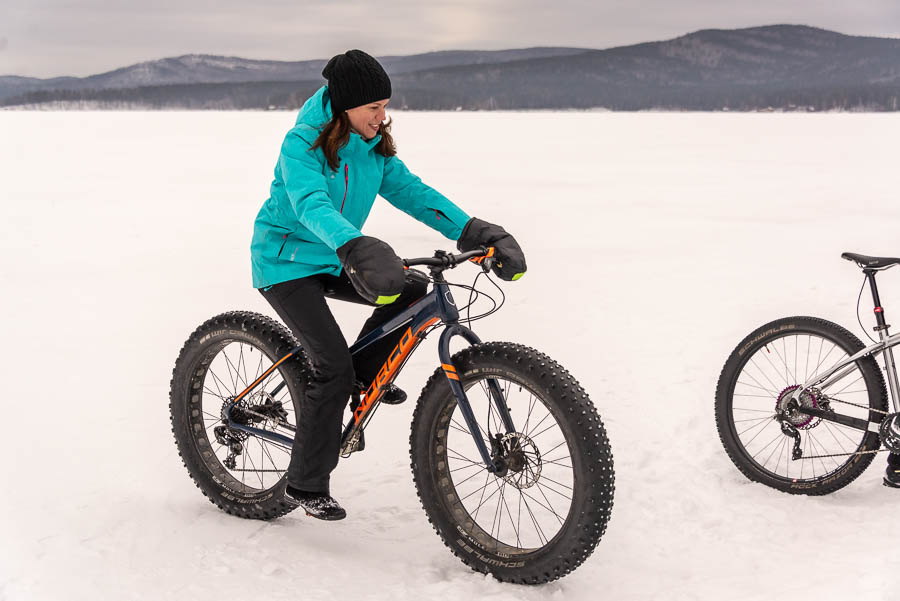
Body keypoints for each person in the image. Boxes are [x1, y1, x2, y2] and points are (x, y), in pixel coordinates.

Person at [250, 50, 526, 520]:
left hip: (338, 252)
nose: (383, 116)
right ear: (345, 108)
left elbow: (413, 192)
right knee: (330, 368)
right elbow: (310, 203)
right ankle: (304, 483)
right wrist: (354, 244)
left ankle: (361, 377)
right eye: (373, 108)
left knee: (413, 288)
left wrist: (472, 230)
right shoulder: (302, 145)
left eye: (384, 105)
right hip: (286, 260)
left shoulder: (371, 145)